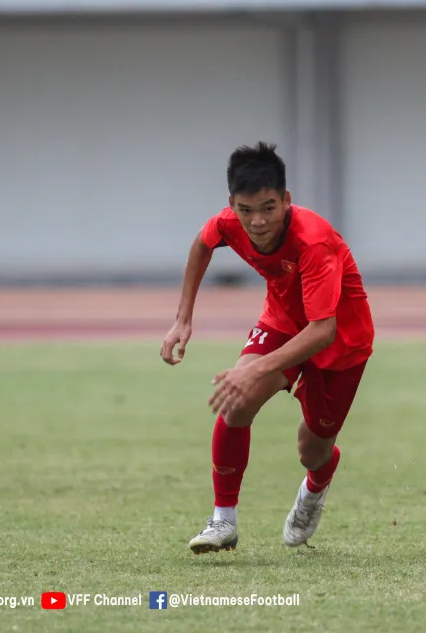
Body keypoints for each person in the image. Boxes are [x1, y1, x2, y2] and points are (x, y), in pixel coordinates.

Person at [160, 142, 375, 554]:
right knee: (237, 403)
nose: (257, 221)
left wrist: (254, 369)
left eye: (268, 207)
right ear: (232, 205)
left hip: (340, 344)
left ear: (286, 200)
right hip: (281, 322)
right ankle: (223, 520)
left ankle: (317, 484)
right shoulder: (231, 223)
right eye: (246, 210)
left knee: (311, 451)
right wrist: (183, 318)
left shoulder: (314, 242)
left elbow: (322, 331)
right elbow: (202, 244)